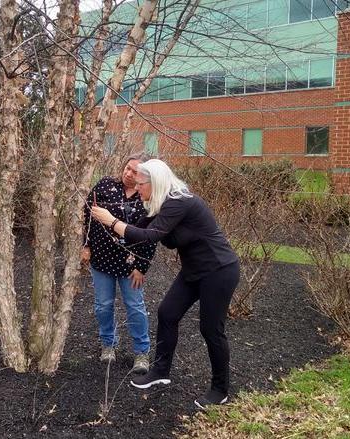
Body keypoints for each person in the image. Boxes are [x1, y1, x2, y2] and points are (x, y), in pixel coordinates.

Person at [90, 159, 239, 408]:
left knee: (211, 329)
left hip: (218, 271)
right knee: (167, 313)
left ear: (154, 182)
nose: (137, 190)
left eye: (140, 185)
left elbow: (150, 236)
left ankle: (220, 389)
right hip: (193, 271)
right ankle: (160, 372)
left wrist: (112, 222)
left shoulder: (180, 201)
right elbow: (141, 229)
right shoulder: (161, 204)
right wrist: (110, 235)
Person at [82, 153, 156, 373]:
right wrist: (85, 245)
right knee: (103, 305)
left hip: (130, 265)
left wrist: (141, 267)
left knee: (135, 306)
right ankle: (108, 344)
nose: (128, 173)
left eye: (135, 171)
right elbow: (87, 215)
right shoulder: (105, 185)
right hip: (101, 260)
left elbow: (150, 236)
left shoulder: (147, 197)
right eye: (127, 167)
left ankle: (142, 352)